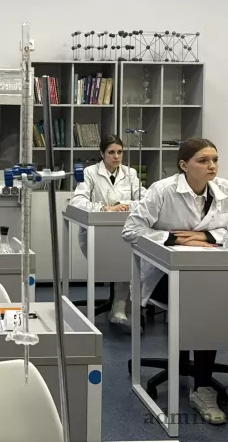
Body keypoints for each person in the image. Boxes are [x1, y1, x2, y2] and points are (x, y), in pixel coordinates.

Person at [121, 138, 228, 425]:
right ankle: (210, 385)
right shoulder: (162, 191)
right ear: (183, 165)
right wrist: (174, 238)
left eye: (215, 159)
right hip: (163, 275)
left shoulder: (226, 190)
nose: (212, 165)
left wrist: (207, 236)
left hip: (213, 274)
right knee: (210, 303)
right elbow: (131, 231)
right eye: (203, 160)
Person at [69, 134, 145, 331]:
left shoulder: (130, 173)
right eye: (111, 152)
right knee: (118, 261)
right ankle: (119, 308)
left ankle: (121, 307)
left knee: (130, 258)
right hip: (97, 233)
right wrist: (106, 208)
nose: (116, 157)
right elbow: (77, 202)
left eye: (120, 152)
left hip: (125, 230)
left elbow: (146, 201)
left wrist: (124, 204)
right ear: (102, 154)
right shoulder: (90, 173)